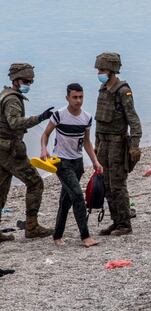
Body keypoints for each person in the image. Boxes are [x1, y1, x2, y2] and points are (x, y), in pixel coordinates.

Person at [40, 83, 102, 247]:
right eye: (74, 97)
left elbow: (87, 142)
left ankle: (57, 235)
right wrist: (43, 149)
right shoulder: (59, 115)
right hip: (62, 162)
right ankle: (85, 236)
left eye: (81, 97)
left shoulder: (86, 118)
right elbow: (45, 134)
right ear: (67, 98)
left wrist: (95, 161)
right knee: (77, 196)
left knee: (66, 200)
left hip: (78, 163)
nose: (78, 100)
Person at [0, 63, 54, 242]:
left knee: (2, 189)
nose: (28, 85)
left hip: (3, 149)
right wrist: (39, 118)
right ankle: (31, 226)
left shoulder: (5, 94)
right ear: (15, 80)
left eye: (30, 82)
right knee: (35, 183)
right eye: (25, 81)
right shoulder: (12, 99)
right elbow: (15, 123)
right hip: (10, 151)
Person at [94, 52, 142, 236]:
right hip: (104, 144)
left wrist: (135, 145)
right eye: (99, 69)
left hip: (117, 144)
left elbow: (133, 119)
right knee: (106, 184)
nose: (100, 72)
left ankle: (124, 224)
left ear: (112, 69)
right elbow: (100, 120)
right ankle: (116, 221)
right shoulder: (103, 88)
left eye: (103, 69)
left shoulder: (123, 91)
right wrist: (97, 143)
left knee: (117, 185)